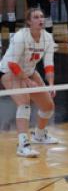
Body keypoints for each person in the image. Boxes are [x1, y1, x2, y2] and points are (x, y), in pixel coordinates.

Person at [0, 8, 57, 157]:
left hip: (30, 71)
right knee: (24, 102)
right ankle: (23, 144)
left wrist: (50, 83)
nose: (41, 20)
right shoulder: (20, 36)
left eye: (42, 17)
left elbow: (49, 63)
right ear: (28, 22)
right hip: (9, 71)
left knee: (48, 105)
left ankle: (39, 135)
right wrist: (26, 81)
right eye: (36, 17)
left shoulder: (48, 38)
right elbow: (12, 63)